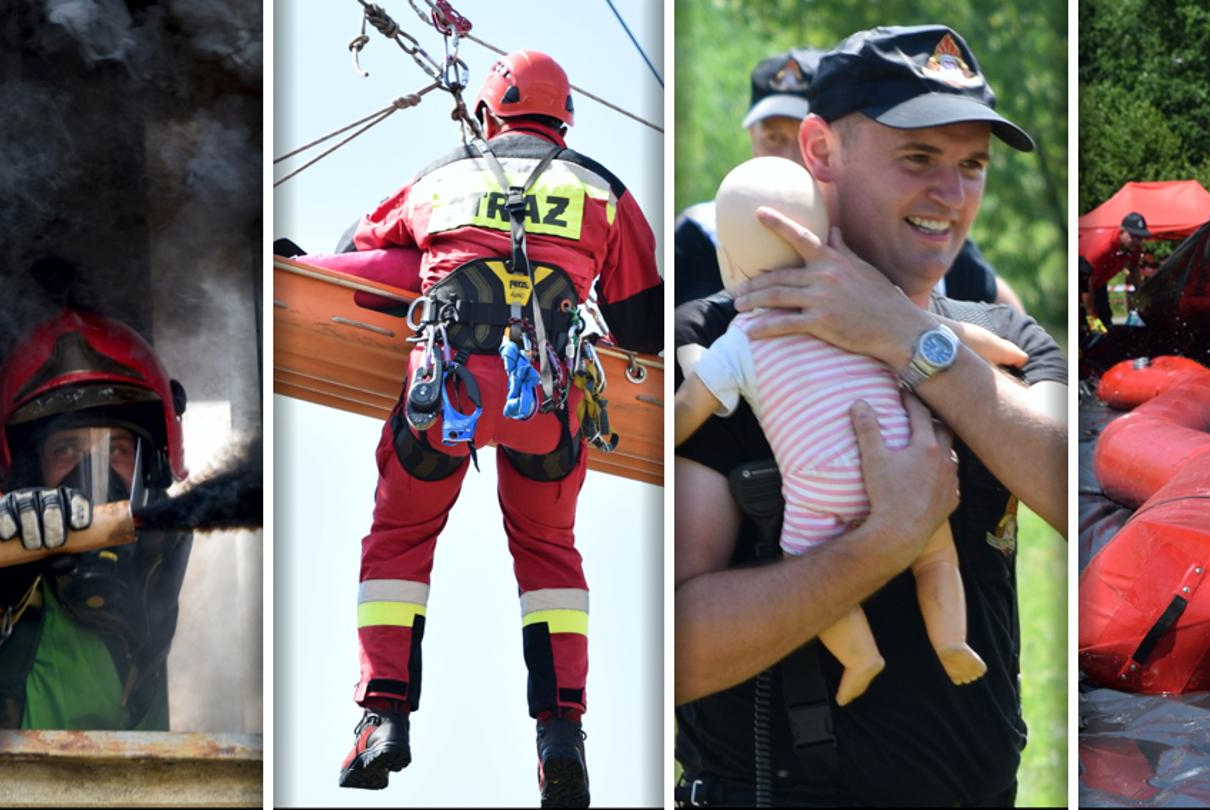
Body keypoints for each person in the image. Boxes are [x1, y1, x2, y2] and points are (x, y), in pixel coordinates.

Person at [673, 25, 1066, 807]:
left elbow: (1069, 487)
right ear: (820, 151)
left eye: (973, 166)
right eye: (918, 158)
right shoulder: (716, 339)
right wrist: (880, 546)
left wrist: (905, 337)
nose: (953, 195)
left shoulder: (1008, 344)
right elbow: (673, 650)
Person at [329, 49, 663, 806]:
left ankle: (382, 718)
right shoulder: (603, 191)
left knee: (399, 540)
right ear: (565, 120)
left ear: (487, 114)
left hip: (442, 400)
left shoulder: (440, 177)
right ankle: (561, 738)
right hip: (547, 410)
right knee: (550, 558)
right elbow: (643, 325)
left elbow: (354, 254)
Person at [0, 309, 192, 730]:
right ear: (31, 471)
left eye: (116, 448)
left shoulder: (164, 551)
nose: (91, 472)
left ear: (151, 465)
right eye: (65, 450)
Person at [674, 48, 1023, 311]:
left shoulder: (918, 235)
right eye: (774, 138)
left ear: (825, 147)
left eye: (801, 139)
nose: (792, 158)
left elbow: (1009, 316)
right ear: (752, 139)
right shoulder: (703, 231)